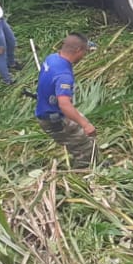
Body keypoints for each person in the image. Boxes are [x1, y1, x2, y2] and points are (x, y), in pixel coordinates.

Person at [36, 33, 98, 169]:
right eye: (84, 52)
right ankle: (83, 173)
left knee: (83, 137)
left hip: (46, 110)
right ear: (78, 50)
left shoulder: (52, 58)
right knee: (86, 147)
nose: (84, 56)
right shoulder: (63, 76)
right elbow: (64, 105)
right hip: (54, 119)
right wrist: (85, 125)